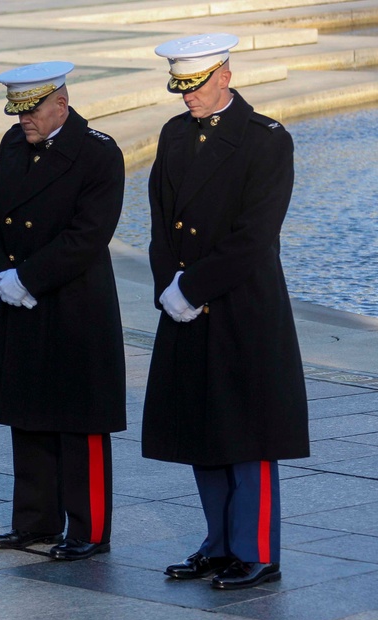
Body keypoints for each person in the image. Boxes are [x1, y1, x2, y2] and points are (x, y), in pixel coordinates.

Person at [142, 34, 310, 589]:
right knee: (201, 430)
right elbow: (161, 221)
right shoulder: (172, 134)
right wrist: (169, 285)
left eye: (194, 85)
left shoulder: (266, 141)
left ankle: (256, 551)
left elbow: (255, 236)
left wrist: (192, 286)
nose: (185, 96)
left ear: (224, 76)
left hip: (243, 308)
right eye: (180, 86)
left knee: (249, 435)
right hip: (185, 305)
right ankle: (217, 545)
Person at [0, 62, 126, 561]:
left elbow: (87, 235)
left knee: (80, 422)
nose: (23, 121)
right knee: (28, 414)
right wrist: (2, 274)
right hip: (20, 297)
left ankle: (89, 529)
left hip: (75, 304)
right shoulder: (14, 144)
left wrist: (28, 277)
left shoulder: (99, 153)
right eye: (17, 111)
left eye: (32, 110)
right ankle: (35, 522)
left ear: (61, 103)